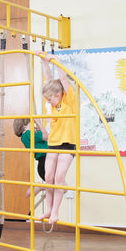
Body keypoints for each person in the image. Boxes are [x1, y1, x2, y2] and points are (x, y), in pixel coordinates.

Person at [37, 51, 77, 224]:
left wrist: (56, 61)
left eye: (49, 98)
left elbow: (63, 81)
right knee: (48, 177)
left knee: (59, 178)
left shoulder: (69, 101)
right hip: (53, 144)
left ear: (58, 94)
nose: (48, 101)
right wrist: (44, 62)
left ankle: (55, 212)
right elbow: (48, 80)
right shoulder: (53, 106)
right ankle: (48, 210)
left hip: (67, 144)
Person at [13, 117, 49, 197]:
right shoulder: (28, 134)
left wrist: (38, 128)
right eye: (32, 124)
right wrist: (39, 123)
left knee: (58, 185)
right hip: (45, 162)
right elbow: (45, 136)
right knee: (59, 185)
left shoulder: (25, 136)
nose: (34, 126)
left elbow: (41, 138)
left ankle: (42, 188)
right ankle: (40, 187)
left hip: (43, 163)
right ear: (24, 126)